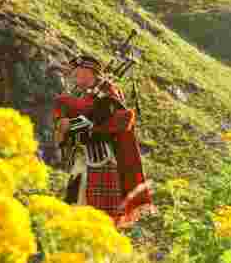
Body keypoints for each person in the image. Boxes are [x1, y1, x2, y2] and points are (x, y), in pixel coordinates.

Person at [53, 55, 156, 228]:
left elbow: (98, 120)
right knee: (75, 203)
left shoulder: (108, 94)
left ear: (89, 72)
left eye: (77, 73)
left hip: (100, 160)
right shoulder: (87, 95)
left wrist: (70, 126)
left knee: (100, 213)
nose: (74, 77)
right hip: (84, 157)